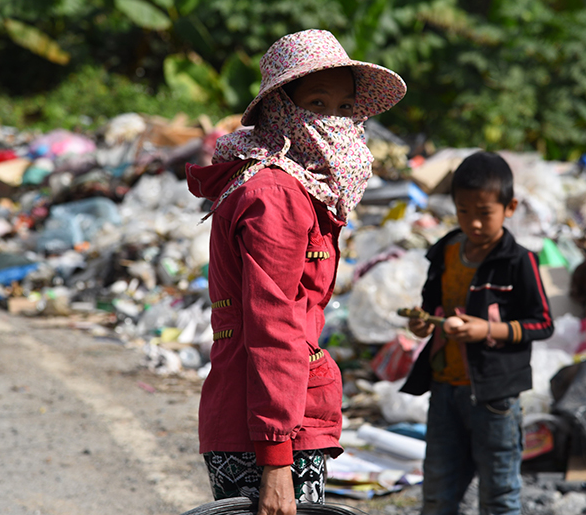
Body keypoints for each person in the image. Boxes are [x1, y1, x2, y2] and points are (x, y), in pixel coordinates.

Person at [186, 29, 406, 515]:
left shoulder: (281, 185)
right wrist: (277, 460)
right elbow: (274, 330)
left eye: (343, 107)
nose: (333, 121)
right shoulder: (276, 194)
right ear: (282, 108)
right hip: (268, 429)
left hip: (266, 414)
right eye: (317, 102)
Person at [400, 151, 554, 515]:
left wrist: (487, 329)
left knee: (498, 496)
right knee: (437, 493)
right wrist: (421, 323)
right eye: (464, 211)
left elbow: (542, 323)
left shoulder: (519, 261)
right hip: (444, 389)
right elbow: (430, 307)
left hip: (495, 398)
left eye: (485, 213)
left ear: (509, 207)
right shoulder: (446, 252)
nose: (475, 223)